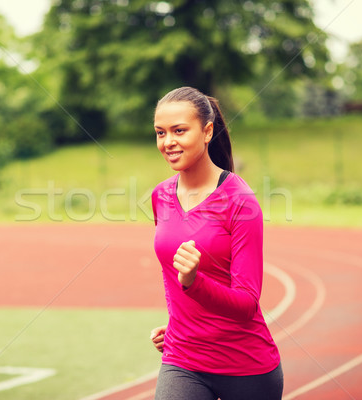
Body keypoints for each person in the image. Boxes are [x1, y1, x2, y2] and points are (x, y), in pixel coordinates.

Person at [149, 87, 283, 400]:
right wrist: (180, 323)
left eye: (179, 131)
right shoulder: (160, 196)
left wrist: (195, 283)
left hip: (246, 367)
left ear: (207, 131)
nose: (168, 142)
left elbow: (247, 304)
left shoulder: (241, 202)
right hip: (183, 359)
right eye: (160, 132)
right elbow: (173, 279)